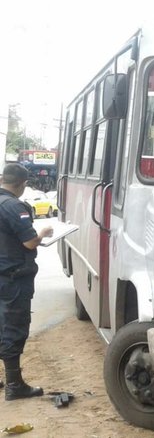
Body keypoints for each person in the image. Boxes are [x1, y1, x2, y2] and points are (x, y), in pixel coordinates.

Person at [0, 163, 53, 400]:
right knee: (13, 327)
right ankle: (14, 386)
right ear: (22, 184)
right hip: (13, 279)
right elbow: (30, 242)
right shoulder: (13, 206)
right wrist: (44, 233)